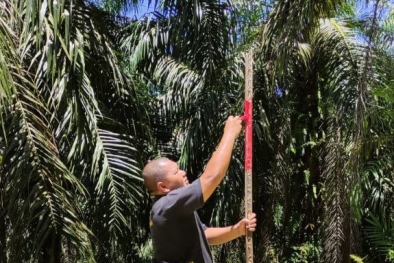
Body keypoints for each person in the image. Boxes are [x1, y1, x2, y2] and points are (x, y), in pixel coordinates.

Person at [142, 116, 257, 263]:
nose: (183, 172)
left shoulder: (173, 208)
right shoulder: (167, 206)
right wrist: (230, 133)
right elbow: (211, 177)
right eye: (176, 172)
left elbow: (204, 234)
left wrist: (237, 230)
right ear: (162, 187)